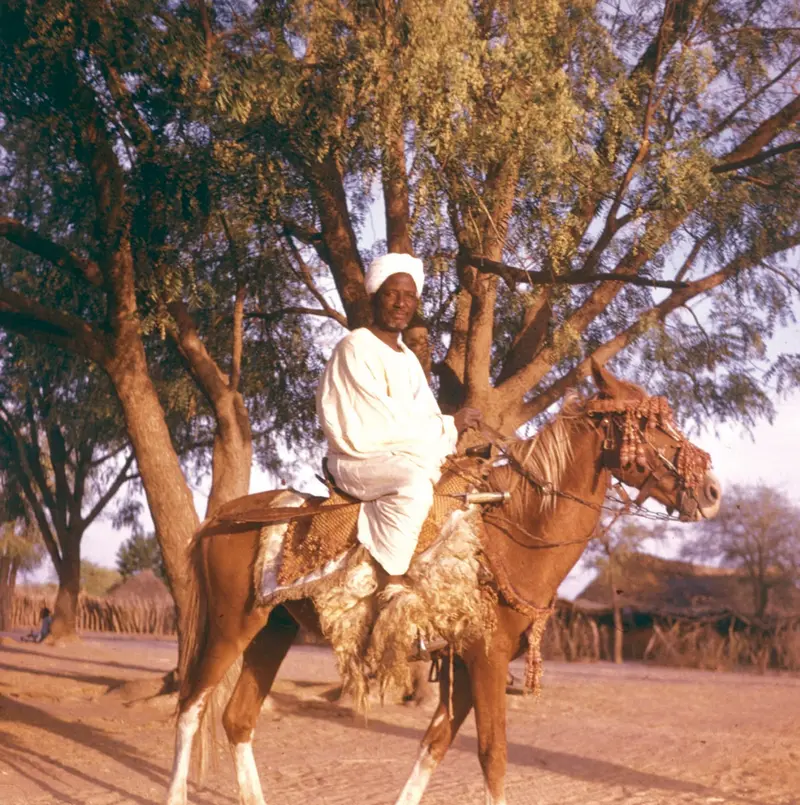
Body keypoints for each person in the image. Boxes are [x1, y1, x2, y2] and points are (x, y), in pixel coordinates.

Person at [317, 252, 482, 596]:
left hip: (401, 456)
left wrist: (451, 426)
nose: (400, 304)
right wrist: (448, 424)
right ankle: (390, 581)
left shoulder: (407, 358)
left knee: (463, 486)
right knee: (413, 485)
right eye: (392, 294)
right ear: (376, 297)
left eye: (409, 297)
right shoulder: (355, 346)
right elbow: (375, 422)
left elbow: (425, 416)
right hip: (359, 459)